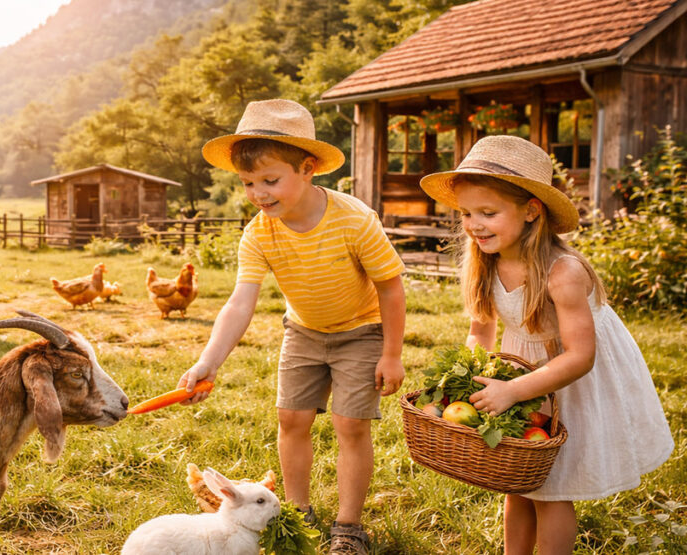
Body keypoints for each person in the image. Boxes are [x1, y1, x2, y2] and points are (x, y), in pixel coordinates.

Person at [419, 135, 674, 555]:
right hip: (522, 368)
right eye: (466, 213)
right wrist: (463, 380)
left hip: (570, 375)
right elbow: (481, 331)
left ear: (531, 211)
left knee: (553, 487)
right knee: (516, 478)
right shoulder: (486, 261)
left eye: (488, 212)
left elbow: (581, 357)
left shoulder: (562, 272)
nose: (473, 224)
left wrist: (514, 390)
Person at [178, 99, 407, 555]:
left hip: (361, 332)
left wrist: (392, 353)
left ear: (307, 168)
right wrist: (209, 360)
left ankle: (348, 527)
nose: (259, 193)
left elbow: (391, 288)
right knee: (291, 418)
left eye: (270, 180)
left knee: (350, 425)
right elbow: (241, 302)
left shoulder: (355, 220)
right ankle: (297, 514)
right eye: (247, 183)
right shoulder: (260, 233)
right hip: (303, 332)